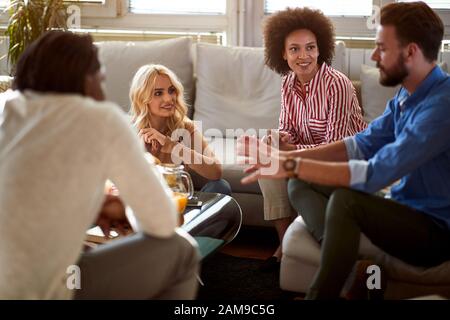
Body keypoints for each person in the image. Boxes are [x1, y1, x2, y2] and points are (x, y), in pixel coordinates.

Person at [238, 1, 450, 299]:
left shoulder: (441, 106)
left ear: (411, 52)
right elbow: (359, 144)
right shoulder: (407, 93)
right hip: (406, 209)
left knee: (345, 202)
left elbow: (376, 172)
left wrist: (289, 165)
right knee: (305, 185)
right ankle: (341, 270)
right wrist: (285, 158)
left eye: (381, 48)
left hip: (436, 232)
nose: (375, 56)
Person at [0, 31, 200, 299]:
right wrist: (123, 206)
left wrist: (92, 205)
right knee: (181, 250)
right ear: (86, 80)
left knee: (84, 252)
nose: (103, 91)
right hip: (34, 291)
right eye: (101, 80)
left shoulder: (5, 108)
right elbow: (162, 223)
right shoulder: (100, 119)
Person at [257, 7, 367, 270]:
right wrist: (280, 141)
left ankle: (331, 256)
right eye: (294, 49)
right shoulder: (287, 83)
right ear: (283, 53)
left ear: (320, 49)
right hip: (310, 154)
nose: (303, 56)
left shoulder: (338, 84)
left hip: (347, 160)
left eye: (310, 48)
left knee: (291, 171)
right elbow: (287, 130)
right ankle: (285, 244)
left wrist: (291, 149)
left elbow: (334, 146)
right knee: (266, 149)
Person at [129, 64, 231, 196]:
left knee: (221, 186)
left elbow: (216, 171)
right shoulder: (128, 131)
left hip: (180, 201)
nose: (169, 98)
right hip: (148, 204)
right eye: (158, 93)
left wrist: (172, 146)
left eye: (171, 91)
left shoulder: (184, 126)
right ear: (142, 98)